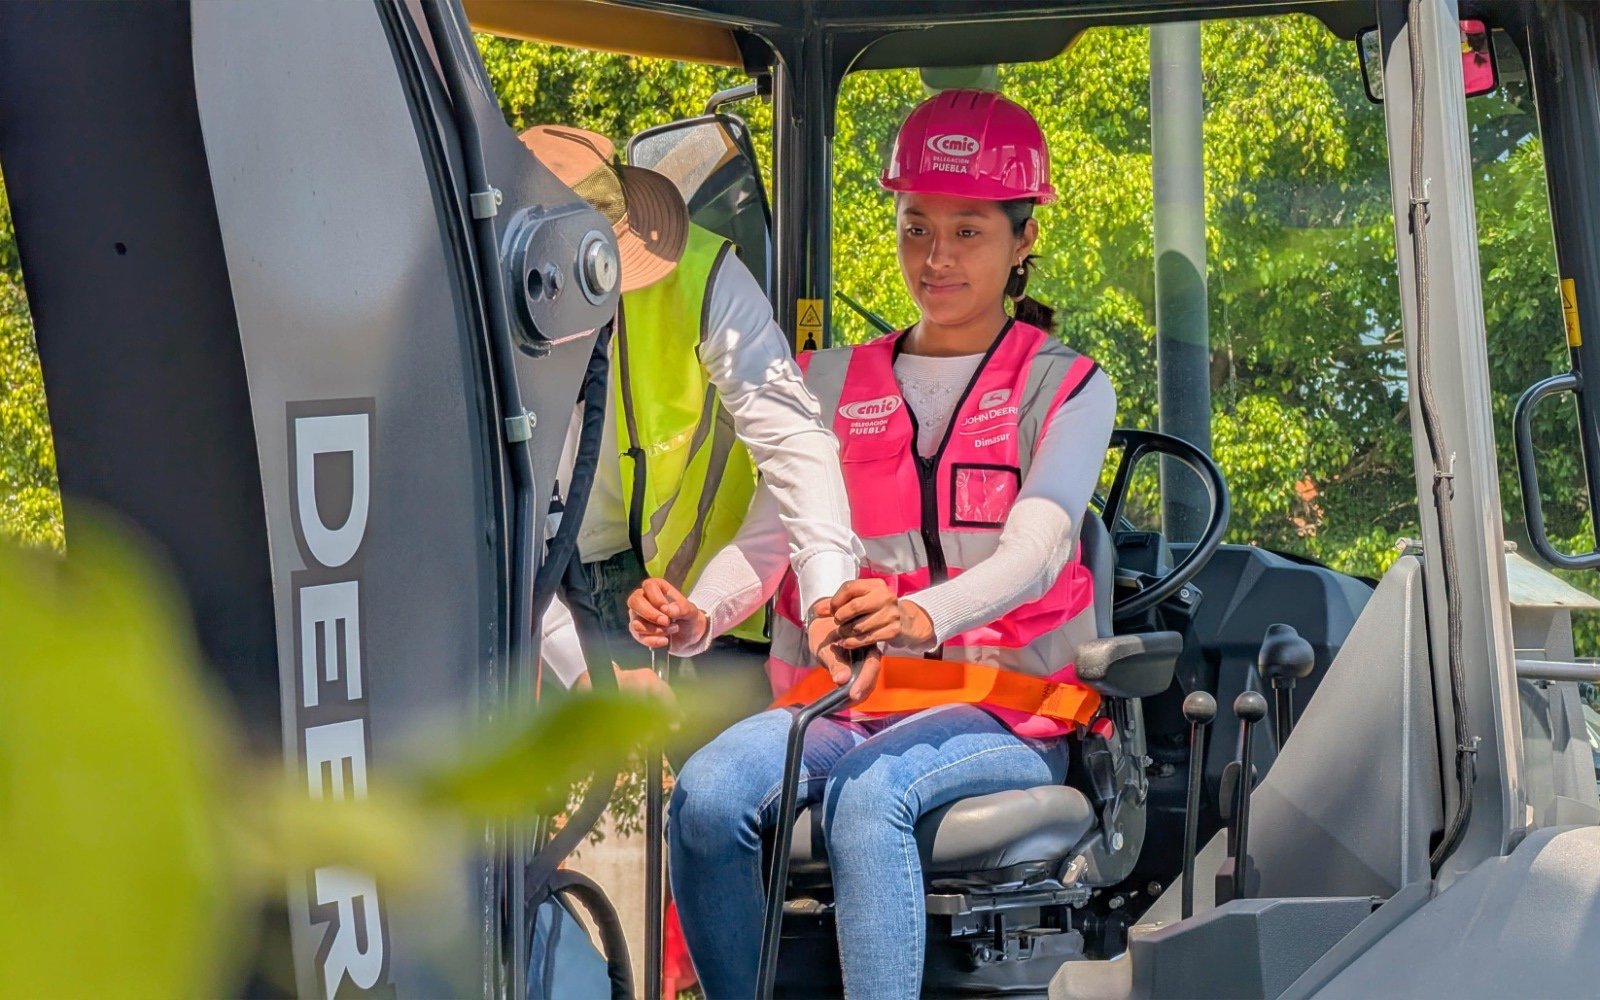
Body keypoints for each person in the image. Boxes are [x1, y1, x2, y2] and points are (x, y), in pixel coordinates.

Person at [628, 89, 1117, 998]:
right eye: (915, 225)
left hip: (1010, 710)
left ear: (1022, 239)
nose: (936, 257)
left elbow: (1041, 551)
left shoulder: (1071, 386)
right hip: (847, 705)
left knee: (867, 803)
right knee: (705, 796)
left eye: (968, 231)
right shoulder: (828, 378)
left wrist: (916, 616)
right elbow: (770, 543)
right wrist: (701, 614)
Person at [516, 125, 860, 699]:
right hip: (538, 581)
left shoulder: (704, 276)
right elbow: (481, 513)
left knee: (725, 772)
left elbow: (794, 438)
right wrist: (573, 663)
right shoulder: (468, 312)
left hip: (691, 583)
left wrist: (829, 597)